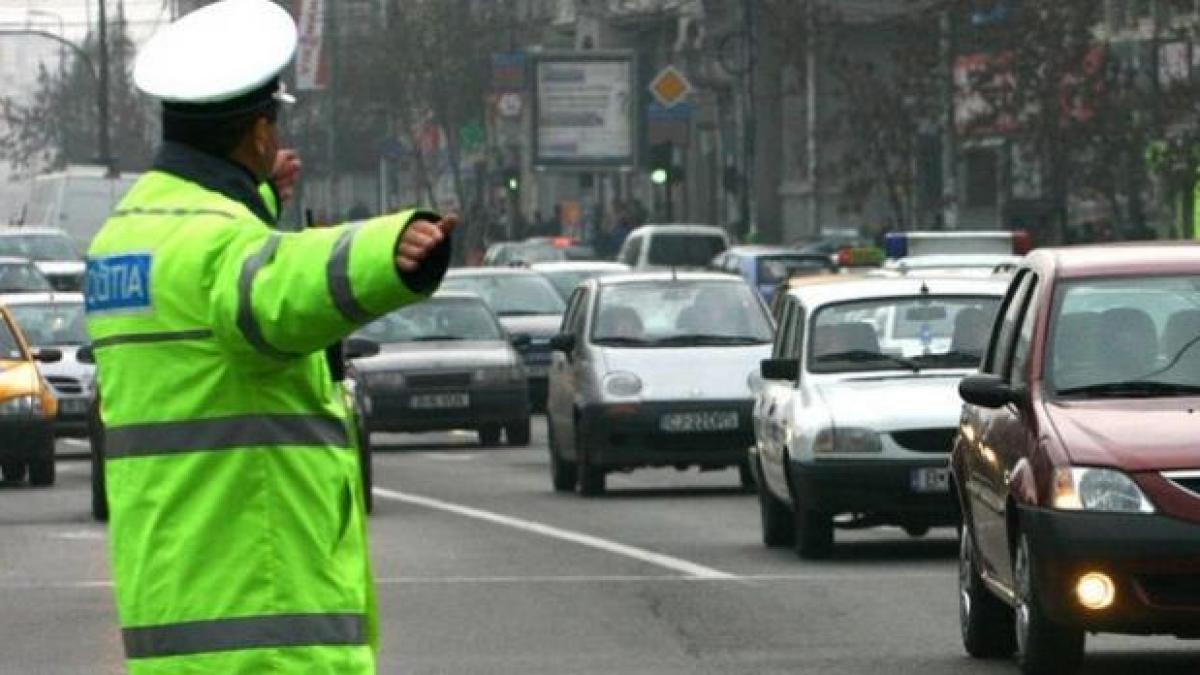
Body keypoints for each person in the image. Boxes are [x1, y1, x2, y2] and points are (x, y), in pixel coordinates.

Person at [82, 2, 455, 673]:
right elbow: (274, 289)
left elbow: (214, 300)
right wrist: (390, 249)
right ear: (258, 133)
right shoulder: (219, 245)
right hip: (263, 631)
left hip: (176, 615)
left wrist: (255, 203)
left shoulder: (124, 237)